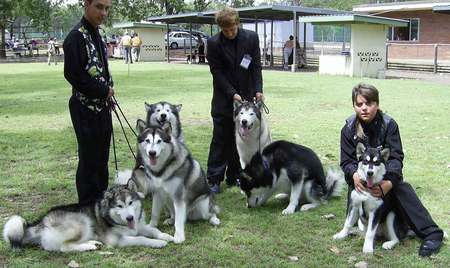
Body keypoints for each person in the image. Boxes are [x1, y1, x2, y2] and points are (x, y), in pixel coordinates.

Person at [340, 83, 443, 257]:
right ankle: (363, 226)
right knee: (357, 197)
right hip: (361, 182)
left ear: (377, 104)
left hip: (384, 179)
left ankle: (432, 234)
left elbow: (396, 158)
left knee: (403, 189)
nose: (364, 108)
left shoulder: (389, 125)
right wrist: (354, 174)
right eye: (359, 104)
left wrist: (389, 182)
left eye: (369, 103)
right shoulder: (348, 129)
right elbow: (346, 161)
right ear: (354, 106)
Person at [206, 7, 263, 193]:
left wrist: (258, 90)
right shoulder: (213, 43)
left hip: (246, 98)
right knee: (221, 138)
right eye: (225, 30)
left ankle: (236, 175)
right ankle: (214, 179)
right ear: (220, 28)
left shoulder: (251, 38)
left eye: (232, 29)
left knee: (241, 137)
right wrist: (232, 94)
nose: (229, 33)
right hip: (223, 98)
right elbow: (217, 73)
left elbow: (255, 67)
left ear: (238, 23)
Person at [63, 0, 114, 205]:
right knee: (89, 158)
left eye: (107, 8)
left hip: (102, 107)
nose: (104, 13)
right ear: (86, 4)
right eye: (99, 7)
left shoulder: (97, 33)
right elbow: (73, 74)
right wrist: (103, 90)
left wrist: (107, 88)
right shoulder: (76, 36)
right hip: (84, 108)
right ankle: (88, 204)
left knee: (102, 155)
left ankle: (100, 199)